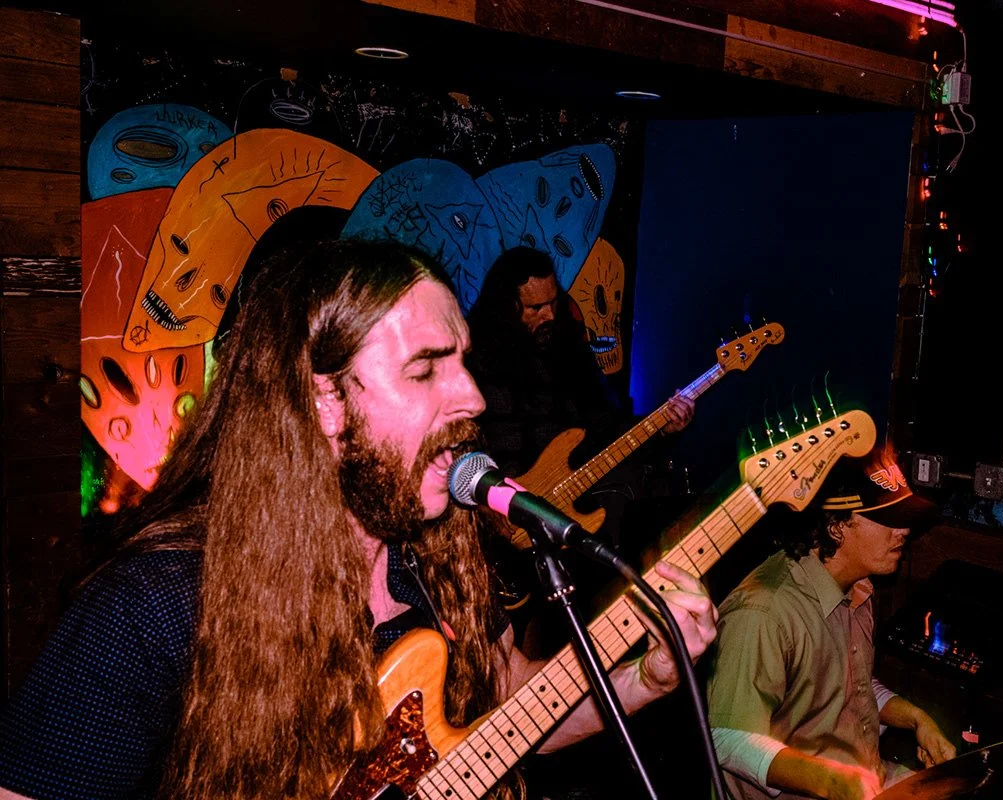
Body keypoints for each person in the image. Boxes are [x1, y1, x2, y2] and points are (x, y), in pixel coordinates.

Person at [0, 239, 717, 800]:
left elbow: (507, 709)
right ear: (325, 403)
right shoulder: (158, 603)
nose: (471, 396)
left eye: (463, 362)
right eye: (426, 369)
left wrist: (643, 681)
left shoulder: (436, 554)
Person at [706, 448, 957, 800]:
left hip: (867, 779)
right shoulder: (763, 610)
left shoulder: (858, 587)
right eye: (889, 519)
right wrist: (829, 780)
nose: (904, 531)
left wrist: (916, 718)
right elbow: (725, 737)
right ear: (836, 526)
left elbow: (849, 684)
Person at [466, 246, 693, 480]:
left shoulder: (569, 347)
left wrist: (662, 429)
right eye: (536, 308)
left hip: (582, 495)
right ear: (508, 307)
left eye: (553, 302)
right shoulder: (481, 363)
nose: (550, 315)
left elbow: (609, 425)